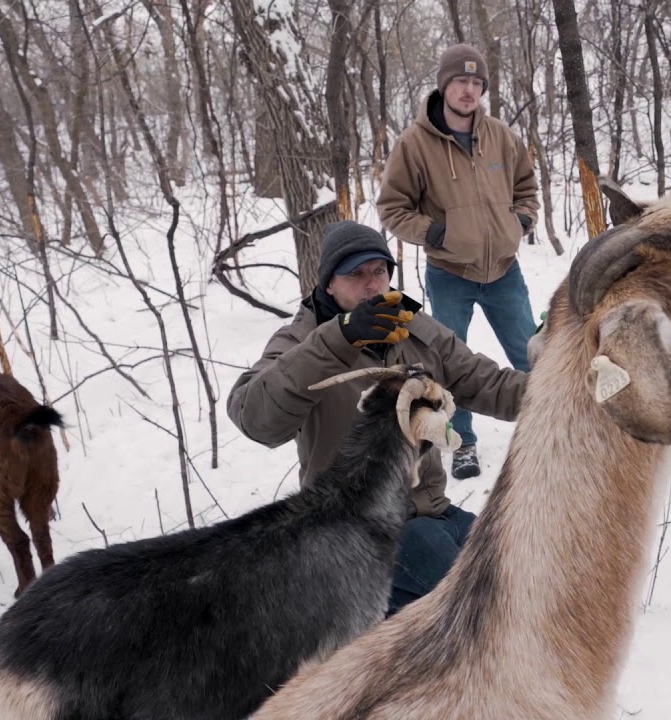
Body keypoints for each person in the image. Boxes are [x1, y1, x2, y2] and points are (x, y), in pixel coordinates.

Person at [227, 220, 526, 614]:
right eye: (356, 275)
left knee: (526, 572)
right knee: (490, 607)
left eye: (380, 272)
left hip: (431, 511)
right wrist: (340, 338)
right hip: (355, 531)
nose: (372, 286)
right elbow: (254, 417)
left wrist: (570, 389)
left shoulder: (413, 327)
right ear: (328, 284)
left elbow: (486, 382)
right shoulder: (301, 340)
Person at [376, 43, 540, 480]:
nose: (469, 90)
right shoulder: (414, 145)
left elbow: (526, 186)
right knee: (450, 363)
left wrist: (519, 221)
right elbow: (393, 208)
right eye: (460, 81)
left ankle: (548, 428)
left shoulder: (501, 136)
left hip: (505, 271)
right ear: (444, 85)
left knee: (533, 354)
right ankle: (463, 441)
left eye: (476, 82)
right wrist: (437, 234)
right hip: (450, 274)